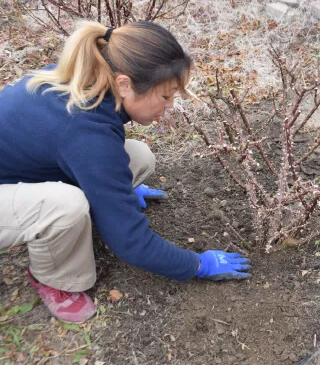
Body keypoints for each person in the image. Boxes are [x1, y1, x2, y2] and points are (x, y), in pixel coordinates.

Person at [0, 21, 251, 324]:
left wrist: (116, 191)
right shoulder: (86, 130)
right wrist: (197, 264)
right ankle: (55, 280)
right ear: (124, 84)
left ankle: (86, 208)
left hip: (16, 171)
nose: (171, 106)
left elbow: (83, 153)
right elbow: (130, 243)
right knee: (66, 206)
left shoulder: (89, 79)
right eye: (166, 96)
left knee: (138, 157)